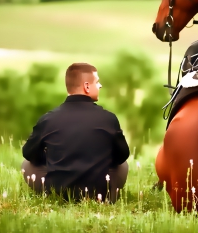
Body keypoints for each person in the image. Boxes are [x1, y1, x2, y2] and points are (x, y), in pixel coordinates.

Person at [21, 63, 130, 202]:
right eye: (97, 82)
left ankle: (51, 196)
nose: (100, 85)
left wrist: (52, 158)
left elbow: (29, 153)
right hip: (98, 192)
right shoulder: (108, 118)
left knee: (26, 164)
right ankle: (108, 197)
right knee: (123, 166)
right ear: (86, 86)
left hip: (58, 191)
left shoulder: (48, 119)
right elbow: (122, 156)